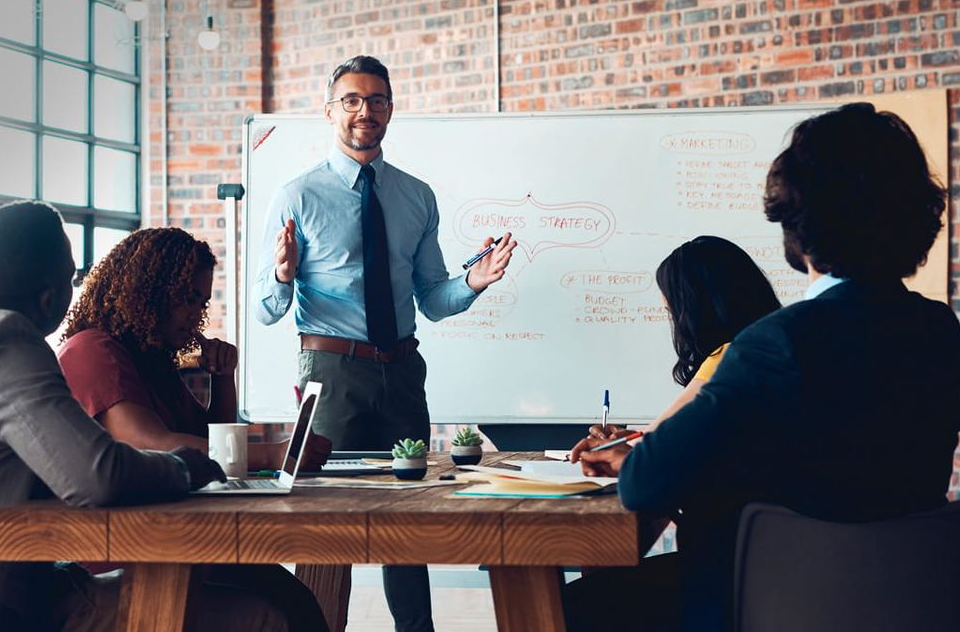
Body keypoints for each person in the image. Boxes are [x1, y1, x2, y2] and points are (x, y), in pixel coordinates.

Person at [566, 103, 960, 632]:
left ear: (795, 228)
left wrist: (626, 456)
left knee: (573, 609)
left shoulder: (776, 342)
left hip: (759, 602)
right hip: (902, 603)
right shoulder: (938, 332)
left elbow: (643, 485)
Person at [0, 201, 287, 632]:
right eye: (70, 278)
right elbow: (99, 476)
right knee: (264, 616)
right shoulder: (6, 342)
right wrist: (181, 467)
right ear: (50, 294)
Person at [254, 55, 518, 632]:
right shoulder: (296, 195)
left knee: (409, 521)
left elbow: (432, 297)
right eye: (351, 99)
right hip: (331, 373)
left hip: (401, 370)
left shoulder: (416, 196)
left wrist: (475, 281)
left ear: (391, 110)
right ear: (330, 111)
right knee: (326, 529)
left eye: (375, 100)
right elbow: (264, 309)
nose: (363, 110)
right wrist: (281, 274)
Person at [57, 227, 332, 632]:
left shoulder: (149, 360)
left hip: (172, 539)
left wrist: (223, 378)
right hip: (124, 553)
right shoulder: (92, 350)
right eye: (186, 299)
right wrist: (276, 454)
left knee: (291, 597)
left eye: (200, 302)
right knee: (283, 606)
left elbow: (212, 441)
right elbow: (156, 446)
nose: (195, 315)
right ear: (147, 292)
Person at [570, 235, 782, 452]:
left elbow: (659, 436)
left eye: (672, 311)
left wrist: (612, 447)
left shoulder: (730, 355)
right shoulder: (778, 346)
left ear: (694, 311)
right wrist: (630, 439)